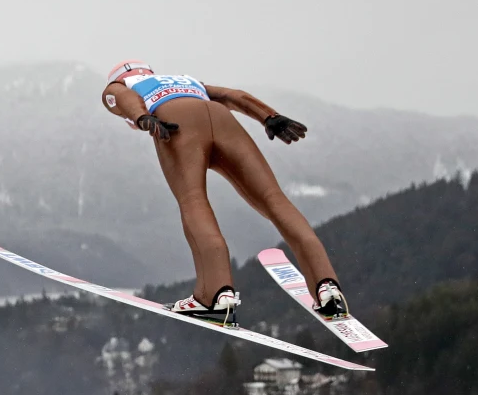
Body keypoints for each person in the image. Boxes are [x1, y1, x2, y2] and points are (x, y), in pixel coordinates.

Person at [102, 59, 349, 325]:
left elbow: (120, 96)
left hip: (175, 122)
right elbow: (233, 96)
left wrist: (141, 118)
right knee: (274, 199)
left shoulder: (122, 84)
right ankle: (327, 288)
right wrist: (269, 116)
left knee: (193, 199)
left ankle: (215, 296)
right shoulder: (184, 80)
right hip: (220, 118)